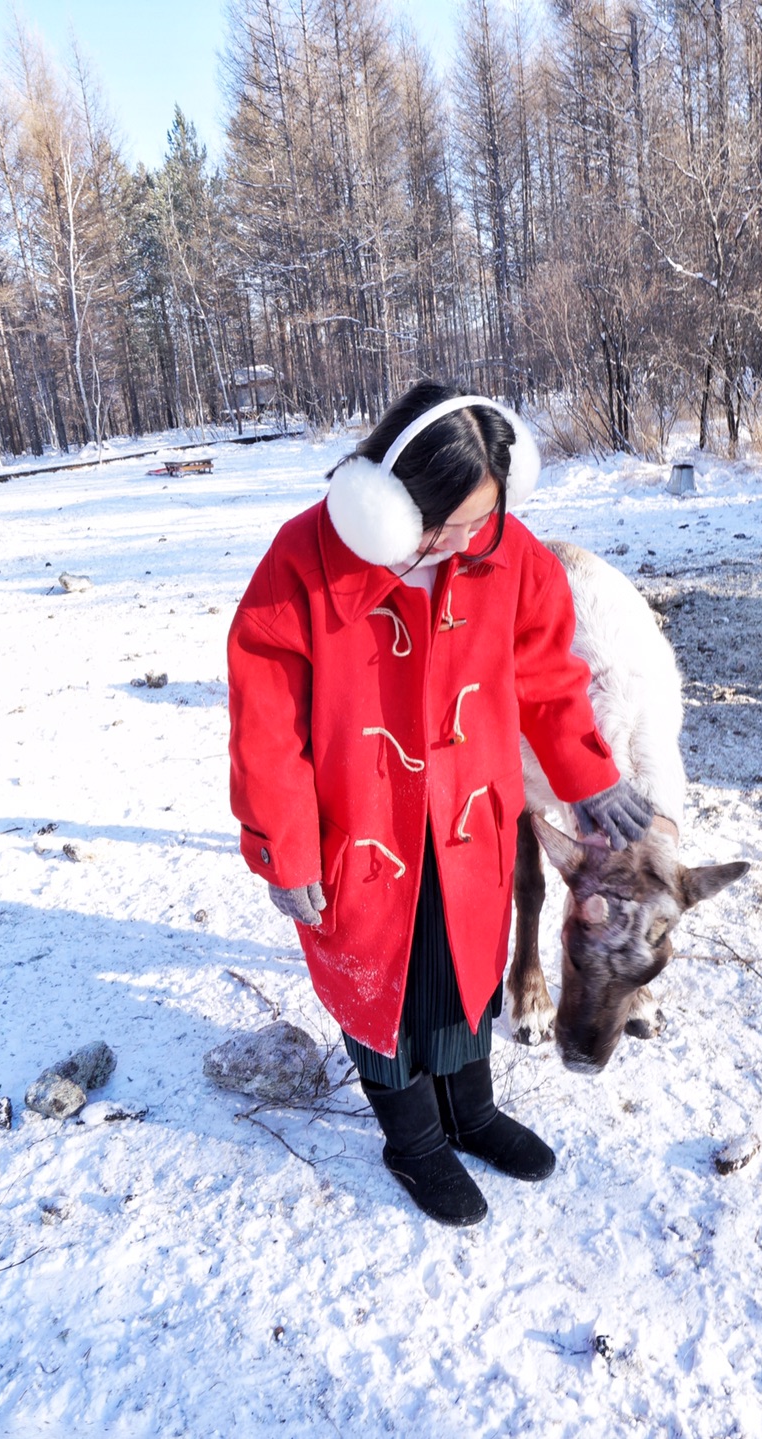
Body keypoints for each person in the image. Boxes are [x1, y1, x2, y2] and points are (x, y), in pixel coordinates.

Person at [226, 380, 654, 1226]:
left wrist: (588, 773)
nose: (463, 541)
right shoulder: (306, 558)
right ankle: (413, 1138)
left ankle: (471, 1111)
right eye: (444, 522)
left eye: (479, 519)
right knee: (382, 987)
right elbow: (265, 716)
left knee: (464, 976)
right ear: (387, 499)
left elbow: (547, 680)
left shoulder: (507, 552)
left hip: (469, 827)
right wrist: (283, 845)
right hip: (359, 830)